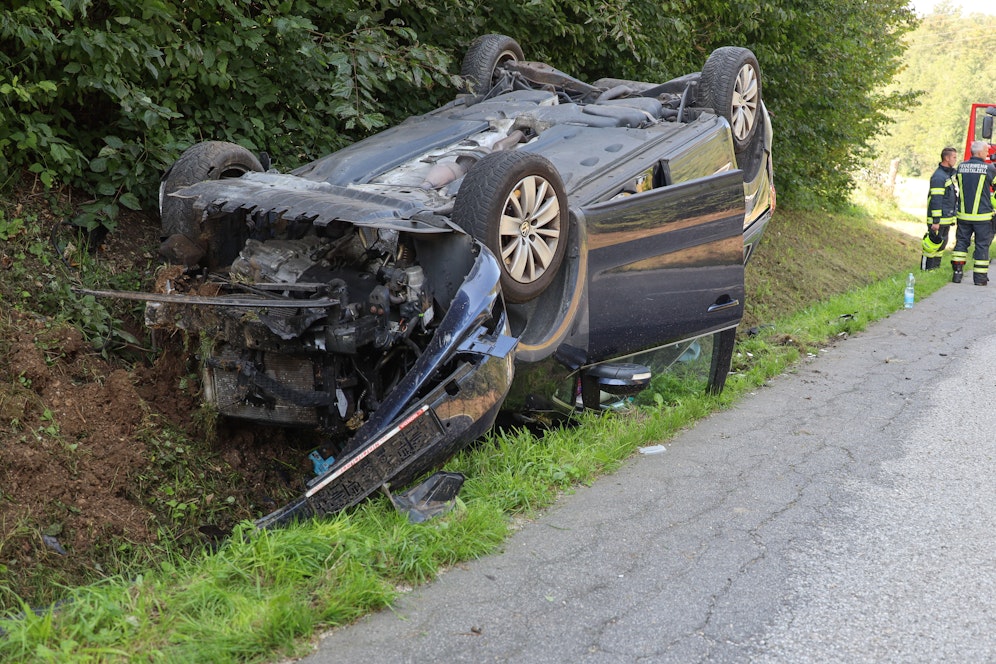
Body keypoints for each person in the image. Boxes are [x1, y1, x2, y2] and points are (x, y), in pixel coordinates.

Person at [951, 140, 996, 285]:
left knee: (961, 244)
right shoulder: (988, 169)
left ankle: (957, 274)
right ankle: (980, 278)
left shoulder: (961, 167)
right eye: (986, 151)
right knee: (982, 245)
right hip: (982, 217)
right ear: (980, 152)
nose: (987, 153)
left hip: (963, 215)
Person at [922, 146, 959, 270]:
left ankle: (935, 269)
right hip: (938, 221)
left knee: (941, 246)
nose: (955, 159)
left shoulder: (947, 175)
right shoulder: (939, 177)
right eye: (954, 157)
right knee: (931, 247)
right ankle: (926, 270)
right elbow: (936, 201)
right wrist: (936, 221)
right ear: (947, 158)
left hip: (946, 219)